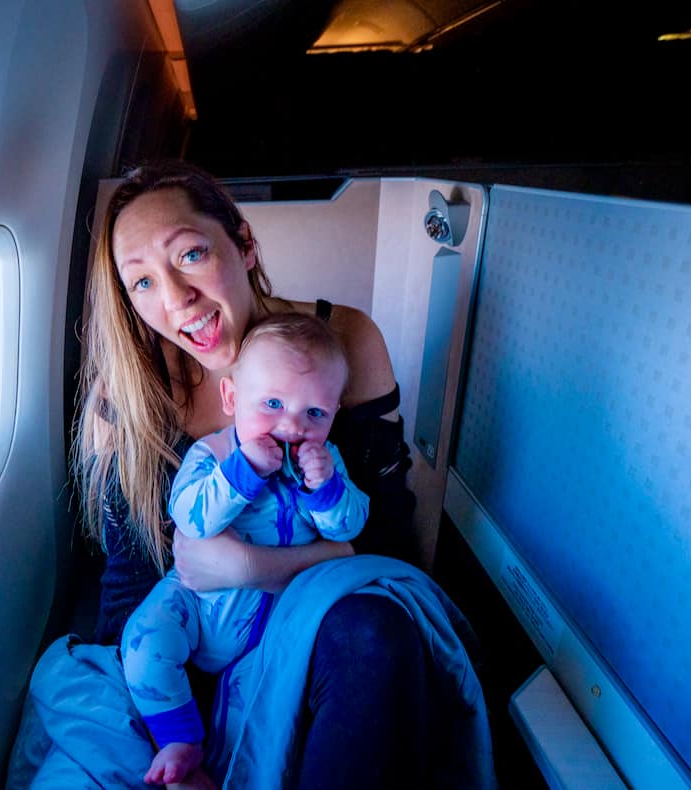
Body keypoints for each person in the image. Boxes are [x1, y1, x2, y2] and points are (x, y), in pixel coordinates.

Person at [71, 160, 450, 788]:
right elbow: (129, 585)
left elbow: (386, 543)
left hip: (309, 619)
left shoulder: (341, 342)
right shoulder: (131, 392)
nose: (174, 300)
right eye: (141, 283)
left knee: (376, 637)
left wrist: (253, 568)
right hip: (190, 633)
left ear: (243, 244)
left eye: (190, 254)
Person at [122, 313, 369, 785]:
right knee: (144, 643)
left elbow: (352, 525)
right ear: (232, 398)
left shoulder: (325, 463)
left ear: (334, 413)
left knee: (262, 710)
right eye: (272, 403)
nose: (292, 426)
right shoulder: (213, 453)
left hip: (270, 622)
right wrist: (242, 473)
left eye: (314, 413)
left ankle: (214, 769)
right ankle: (177, 738)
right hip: (195, 601)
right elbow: (190, 516)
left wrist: (327, 490)